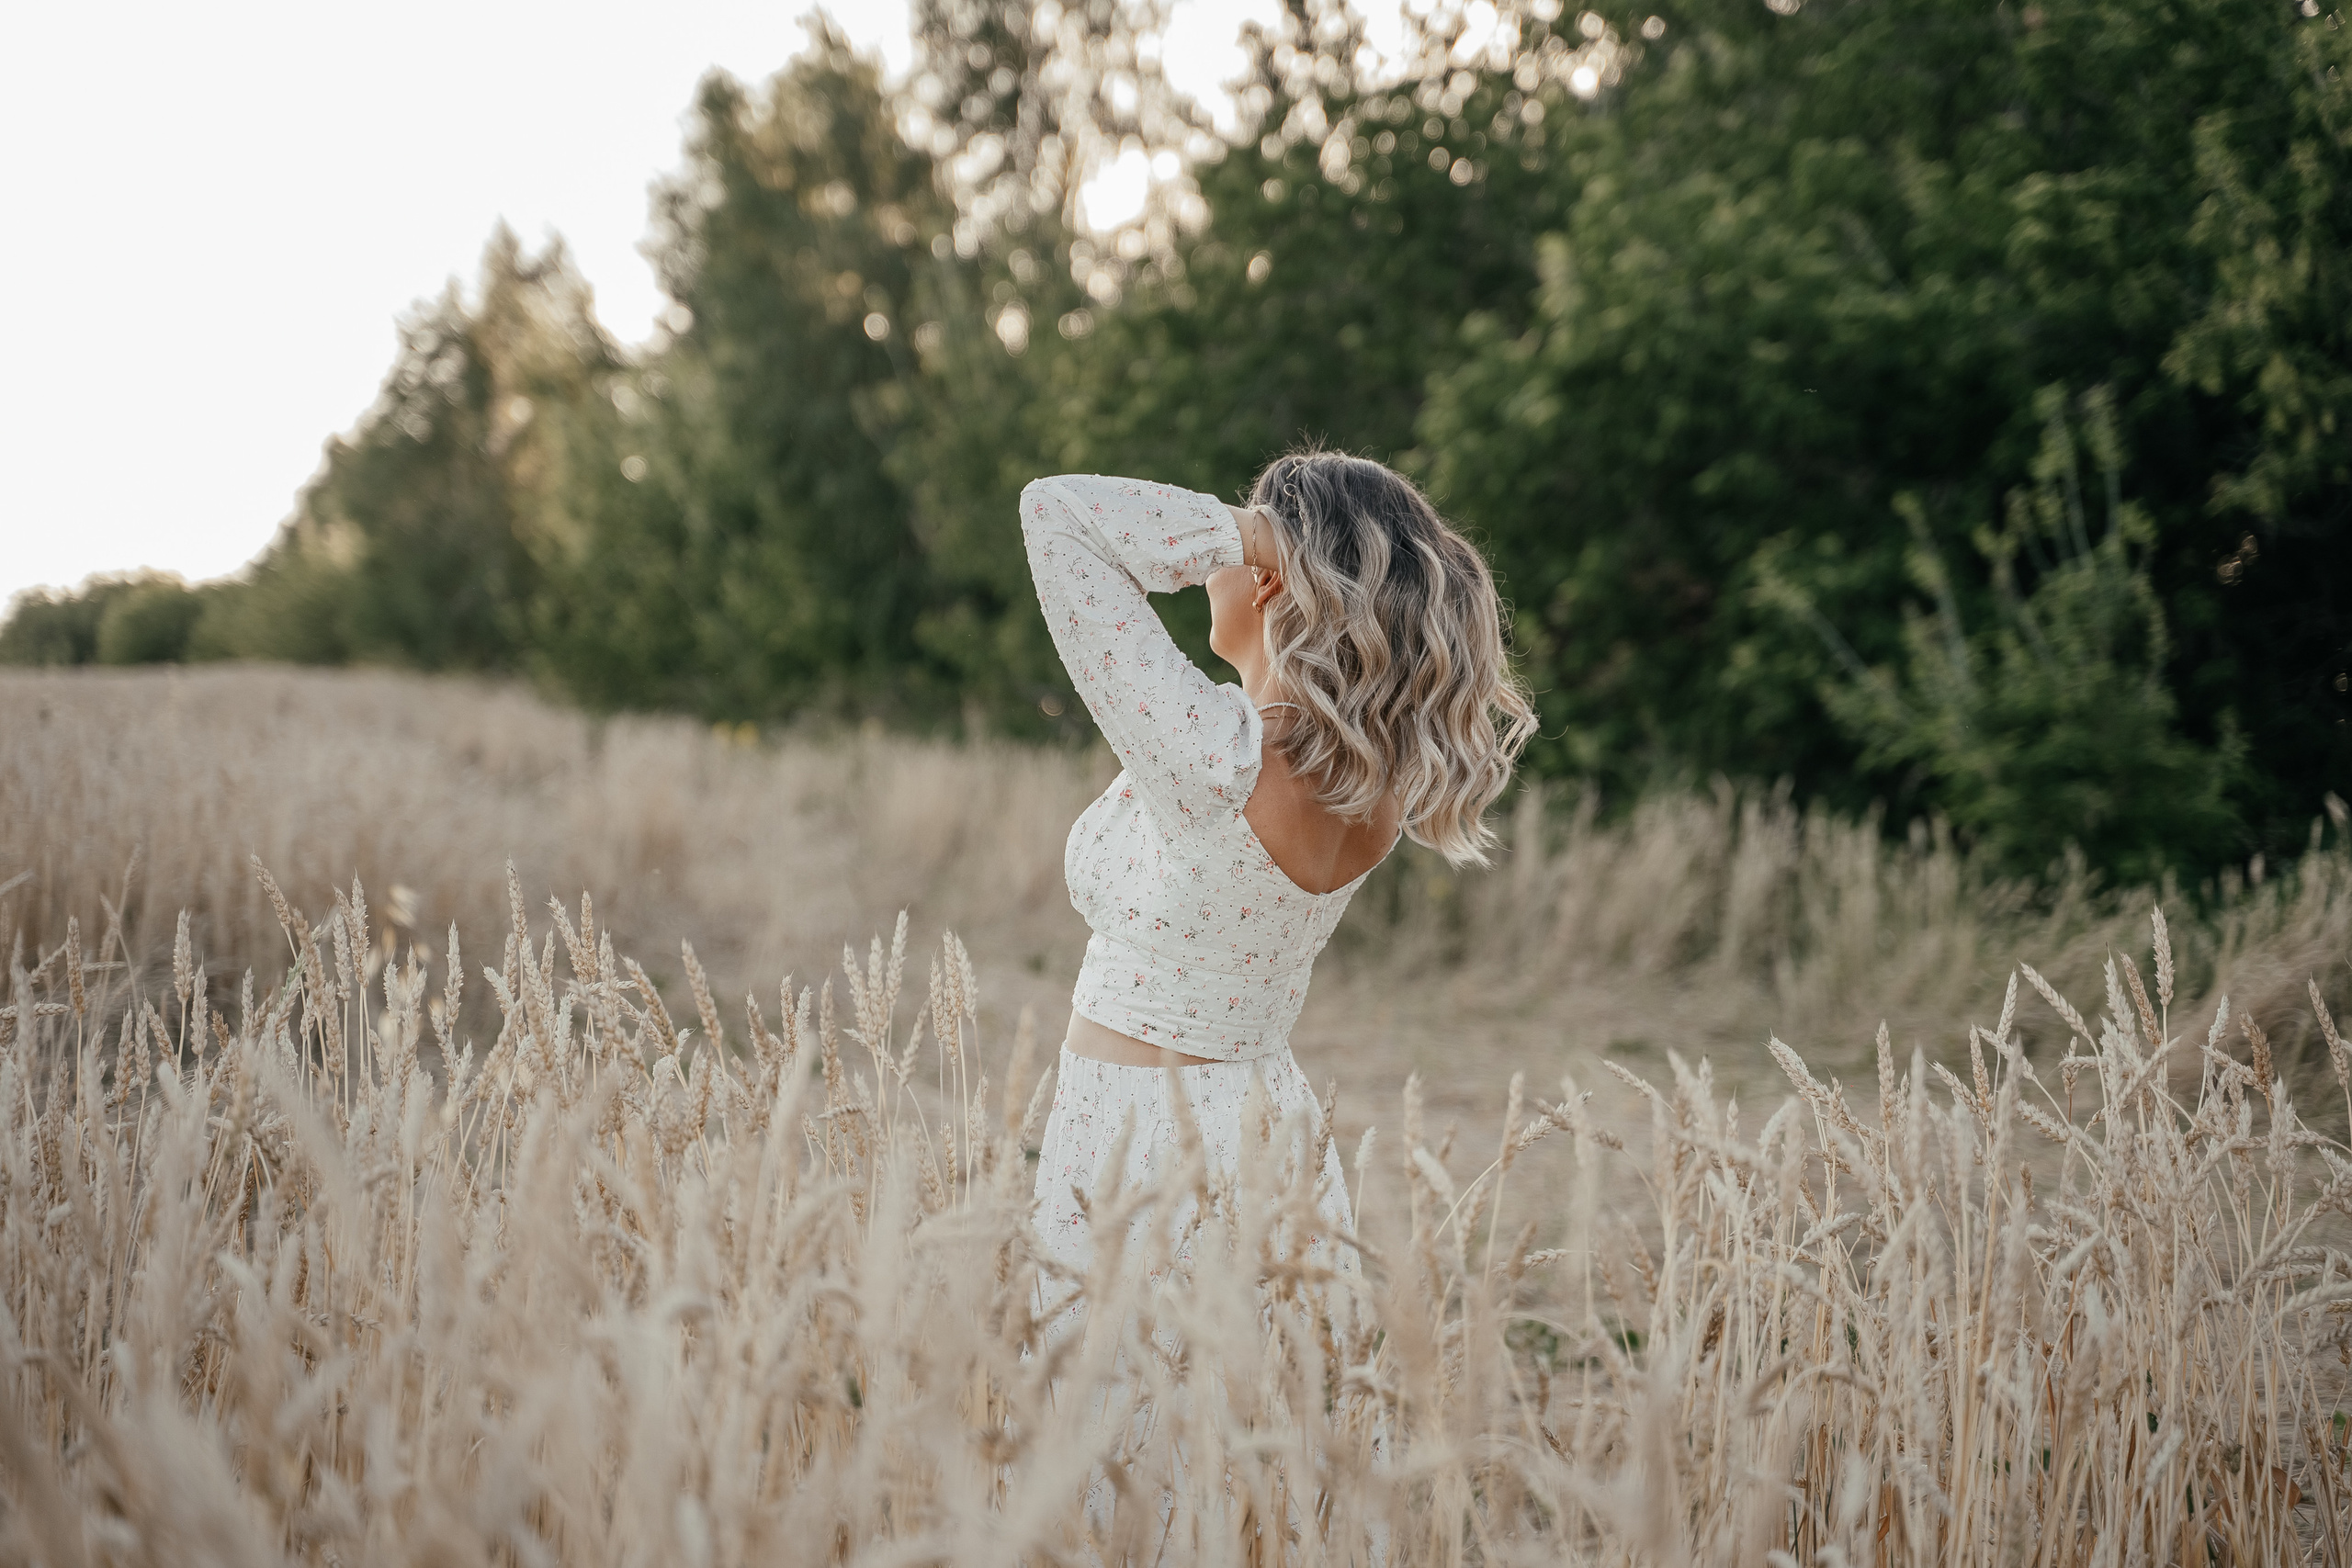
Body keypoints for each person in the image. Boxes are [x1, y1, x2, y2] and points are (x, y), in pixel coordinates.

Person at [1020, 451, 1536, 1349]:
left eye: (1238, 534)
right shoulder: (1372, 779)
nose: (1212, 558)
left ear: (1268, 577)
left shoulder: (1219, 758)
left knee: (1131, 1445)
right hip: (1256, 1127)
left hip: (1152, 1145)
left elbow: (1054, 512)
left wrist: (1261, 531)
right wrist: (1278, 543)